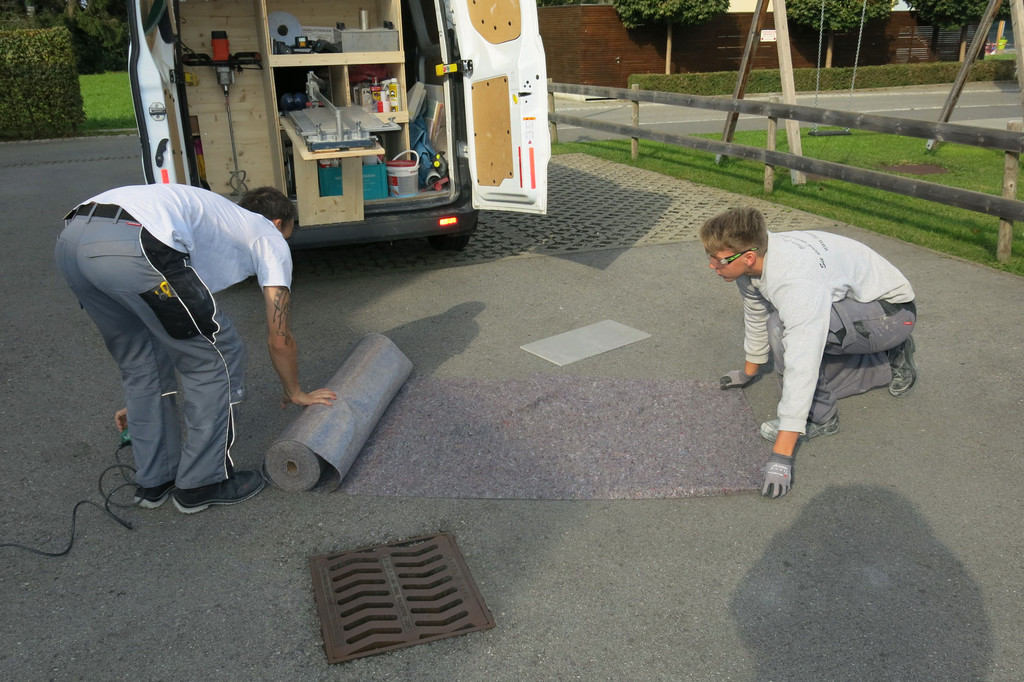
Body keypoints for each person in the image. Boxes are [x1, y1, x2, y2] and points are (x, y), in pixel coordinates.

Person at [55, 184, 337, 514]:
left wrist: (140, 404)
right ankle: (203, 483)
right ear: (278, 224)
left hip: (73, 240)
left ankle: (155, 480)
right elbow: (279, 336)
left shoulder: (214, 221)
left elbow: (170, 326)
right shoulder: (267, 234)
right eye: (287, 235)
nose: (284, 242)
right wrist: (295, 390)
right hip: (135, 239)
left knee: (142, 361)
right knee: (217, 354)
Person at [700, 207, 917, 499]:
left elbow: (802, 361)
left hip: (894, 315)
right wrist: (748, 372)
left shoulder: (795, 283)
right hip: (857, 306)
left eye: (717, 259)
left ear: (747, 257)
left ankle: (823, 417)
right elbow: (755, 313)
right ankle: (880, 363)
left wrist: (781, 456)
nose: (711, 265)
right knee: (781, 326)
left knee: (783, 332)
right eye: (709, 256)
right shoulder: (751, 260)